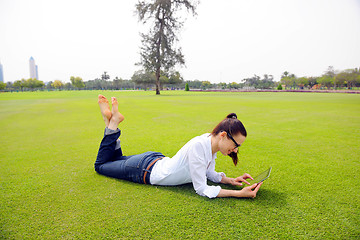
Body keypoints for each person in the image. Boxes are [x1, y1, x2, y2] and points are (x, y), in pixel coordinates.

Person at [95, 94, 262, 199]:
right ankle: (112, 122)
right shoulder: (199, 146)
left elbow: (208, 173)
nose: (236, 150)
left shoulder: (210, 143)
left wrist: (230, 180)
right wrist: (239, 194)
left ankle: (111, 123)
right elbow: (201, 188)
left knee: (114, 160)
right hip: (144, 169)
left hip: (152, 162)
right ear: (223, 135)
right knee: (101, 166)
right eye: (235, 145)